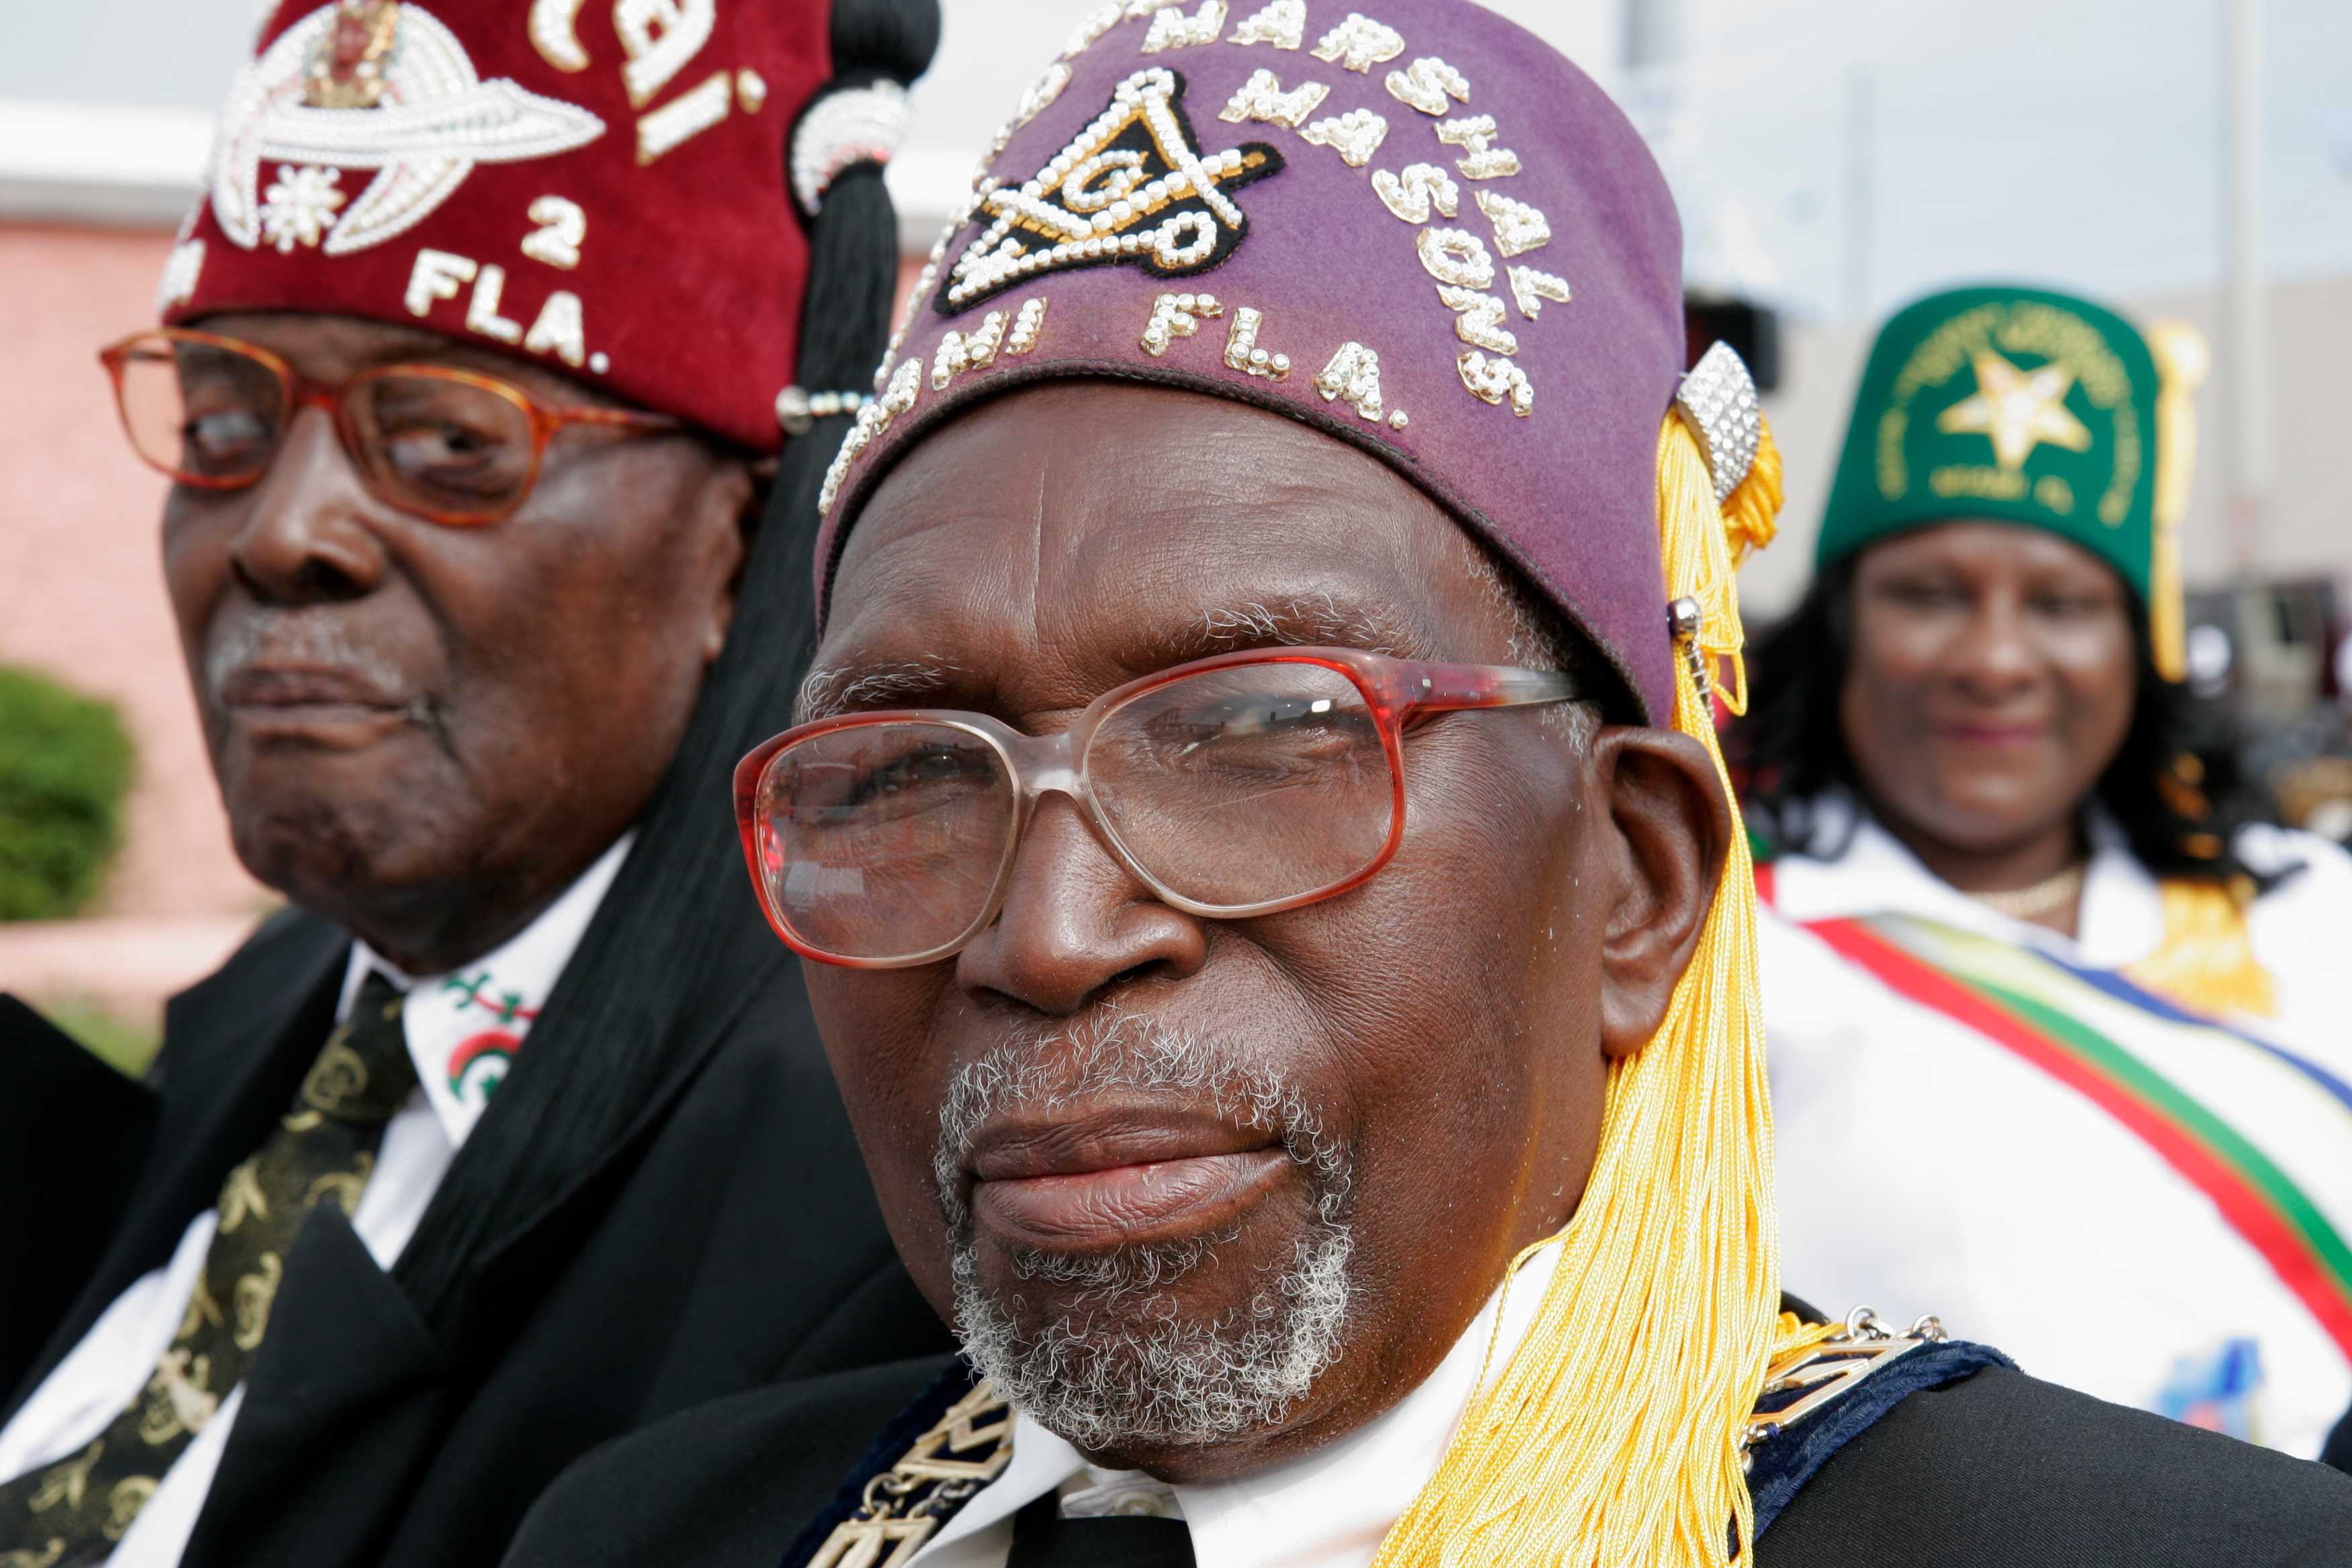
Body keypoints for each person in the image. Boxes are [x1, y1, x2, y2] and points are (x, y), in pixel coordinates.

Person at [493, 8, 2352, 1567]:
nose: (1050, 937)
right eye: (908, 772)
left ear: (1631, 881)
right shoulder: (649, 1530)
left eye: (1255, 740)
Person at [0, 3, 954, 1565]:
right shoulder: (277, 1005)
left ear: (744, 535)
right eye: (223, 422)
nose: (280, 529)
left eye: (448, 440)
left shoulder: (865, 1219)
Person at [1733, 284, 2352, 1466]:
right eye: (1929, 595)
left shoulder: (2313, 908)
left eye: (2063, 604)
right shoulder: (1721, 947)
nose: (1997, 660)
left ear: (2141, 644)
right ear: (1841, 625)